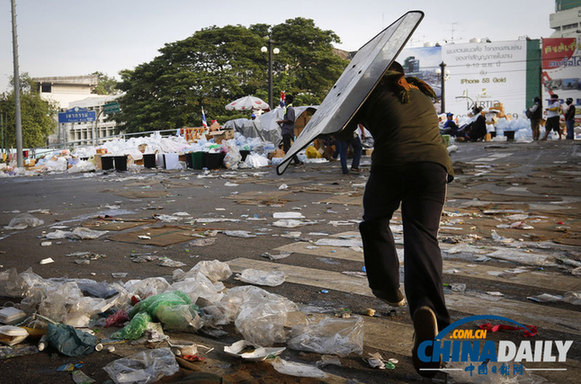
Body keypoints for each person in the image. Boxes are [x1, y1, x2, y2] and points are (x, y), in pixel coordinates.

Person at [343, 61, 453, 377]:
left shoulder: (366, 96)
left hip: (390, 165)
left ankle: (387, 287)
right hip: (433, 166)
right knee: (422, 235)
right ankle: (427, 308)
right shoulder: (421, 91)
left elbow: (339, 131)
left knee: (374, 221)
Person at [277, 94, 302, 165]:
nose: (284, 101)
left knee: (287, 148)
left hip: (288, 130)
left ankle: (296, 161)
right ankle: (294, 161)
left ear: (287, 101)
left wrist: (281, 121)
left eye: (285, 100)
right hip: (286, 130)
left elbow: (290, 120)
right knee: (287, 147)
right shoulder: (288, 109)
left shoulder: (290, 109)